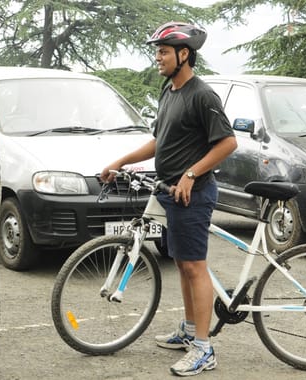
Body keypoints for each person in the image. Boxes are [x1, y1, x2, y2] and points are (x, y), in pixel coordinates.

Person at [100, 22, 237, 377]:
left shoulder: (201, 95)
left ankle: (204, 349)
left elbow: (227, 143)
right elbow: (159, 140)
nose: (157, 57)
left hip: (193, 193)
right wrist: (121, 160)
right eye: (157, 51)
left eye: (163, 51)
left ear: (184, 54)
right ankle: (190, 331)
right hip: (170, 192)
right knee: (181, 264)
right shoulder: (169, 91)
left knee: (195, 267)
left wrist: (191, 174)